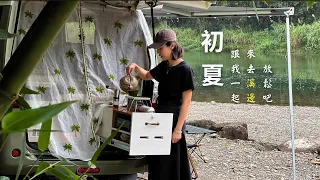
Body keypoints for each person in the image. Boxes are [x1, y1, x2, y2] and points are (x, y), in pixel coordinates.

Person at [126, 29, 194, 180]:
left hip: (175, 118)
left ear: (172, 45)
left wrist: (177, 130)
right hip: (160, 115)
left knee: (173, 158)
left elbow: (186, 102)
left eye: (160, 48)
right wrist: (135, 66)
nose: (158, 52)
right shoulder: (164, 66)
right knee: (158, 157)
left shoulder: (186, 70)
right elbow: (146, 76)